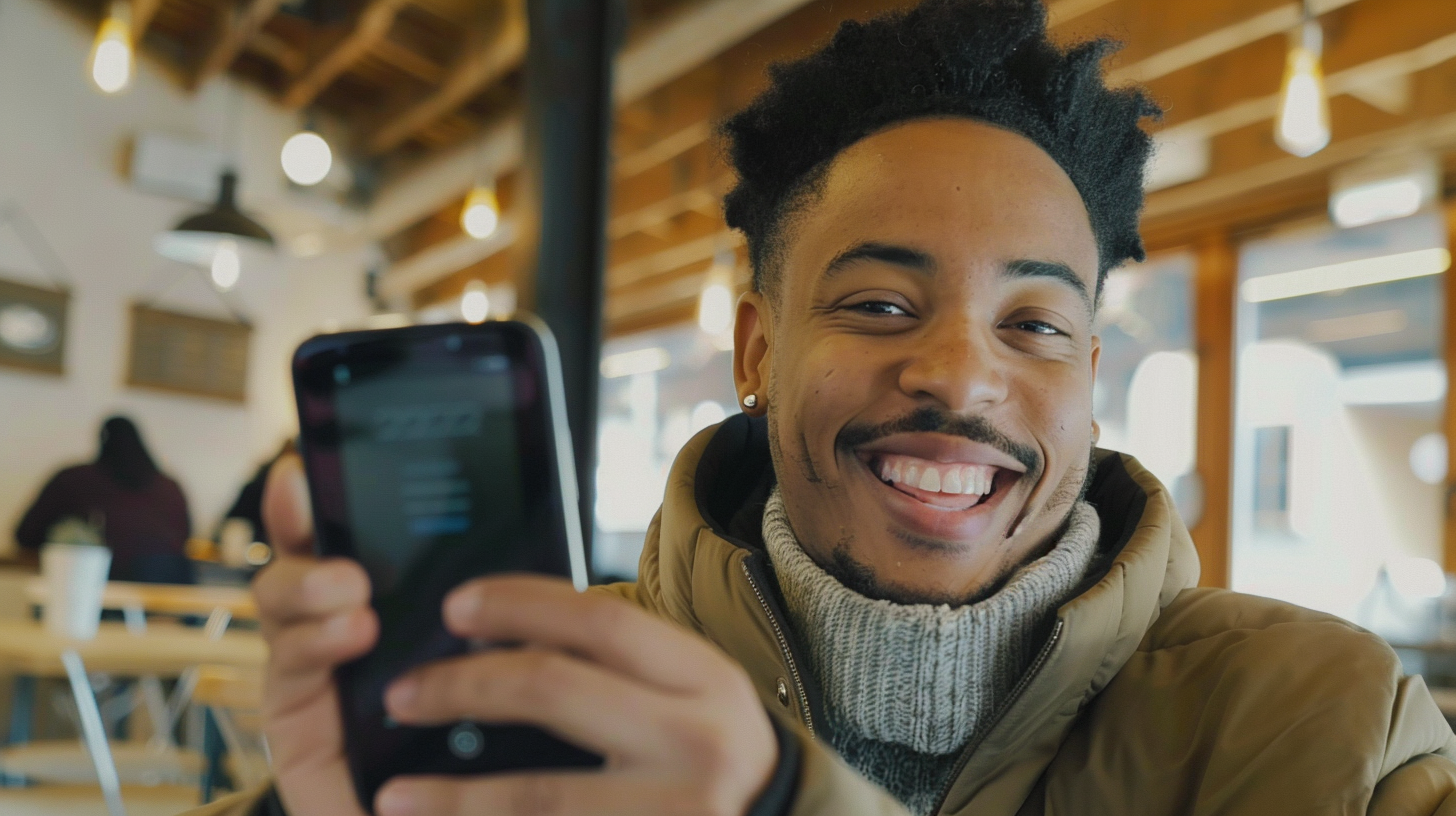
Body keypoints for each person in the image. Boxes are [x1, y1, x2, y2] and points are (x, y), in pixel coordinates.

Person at [194, 1, 1456, 814]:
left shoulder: (1327, 728)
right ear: (757, 346)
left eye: (1036, 326)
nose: (962, 380)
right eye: (880, 306)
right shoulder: (551, 690)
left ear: (1090, 380)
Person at [16, 415, 194, 584]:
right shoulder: (169, 487)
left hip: (93, 587)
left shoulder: (74, 479)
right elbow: (186, 538)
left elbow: (26, 533)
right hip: (165, 592)